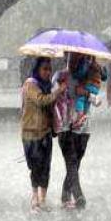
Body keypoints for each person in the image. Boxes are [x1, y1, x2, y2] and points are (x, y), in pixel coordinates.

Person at [20, 57, 65, 213]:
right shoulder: (30, 84)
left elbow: (50, 104)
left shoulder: (47, 86)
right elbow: (41, 100)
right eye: (44, 69)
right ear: (37, 69)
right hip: (30, 134)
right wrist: (57, 92)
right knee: (35, 167)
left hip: (45, 132)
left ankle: (42, 200)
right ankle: (34, 198)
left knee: (45, 167)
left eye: (49, 69)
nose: (47, 72)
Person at [52, 53, 94, 210]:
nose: (75, 62)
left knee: (75, 164)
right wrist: (63, 90)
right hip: (65, 128)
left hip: (83, 128)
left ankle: (65, 195)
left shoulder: (87, 78)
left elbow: (94, 97)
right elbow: (53, 96)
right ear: (67, 59)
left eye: (79, 59)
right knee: (71, 162)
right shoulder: (60, 76)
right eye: (72, 59)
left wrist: (88, 93)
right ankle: (78, 195)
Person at [72, 56, 106, 128]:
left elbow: (81, 73)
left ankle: (80, 117)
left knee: (80, 99)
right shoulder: (99, 66)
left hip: (88, 85)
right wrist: (104, 69)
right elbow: (104, 77)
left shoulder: (86, 62)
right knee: (87, 102)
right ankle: (83, 117)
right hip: (96, 88)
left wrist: (75, 73)